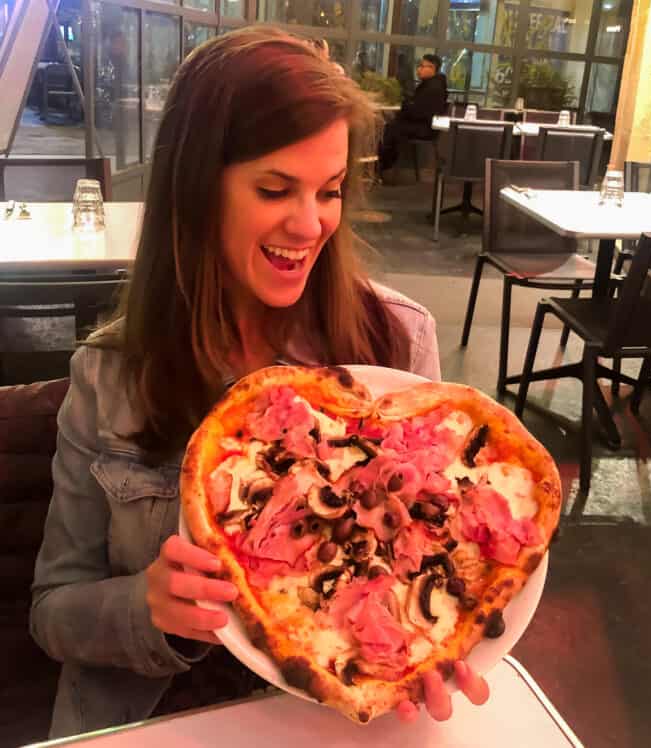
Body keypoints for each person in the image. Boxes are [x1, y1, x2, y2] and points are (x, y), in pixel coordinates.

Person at [30, 27, 489, 740]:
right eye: (275, 189)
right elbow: (51, 611)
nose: (311, 225)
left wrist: (431, 638)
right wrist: (149, 608)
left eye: (330, 191)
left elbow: (432, 546)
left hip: (331, 722)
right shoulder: (110, 374)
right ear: (195, 189)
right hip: (158, 718)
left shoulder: (396, 340)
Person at [378, 53, 447, 175]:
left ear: (432, 68)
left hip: (424, 128)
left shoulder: (433, 88)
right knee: (391, 126)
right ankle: (383, 165)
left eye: (422, 66)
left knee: (390, 129)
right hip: (423, 125)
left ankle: (383, 165)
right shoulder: (431, 84)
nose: (418, 69)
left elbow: (418, 112)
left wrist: (405, 106)